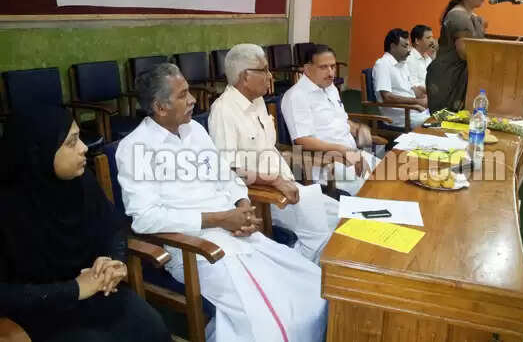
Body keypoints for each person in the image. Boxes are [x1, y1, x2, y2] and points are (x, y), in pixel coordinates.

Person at [116, 63, 327, 342]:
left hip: (236, 232)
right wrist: (219, 219)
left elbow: (226, 176)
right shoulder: (135, 148)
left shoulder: (195, 131)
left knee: (313, 286)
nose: (193, 100)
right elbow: (145, 219)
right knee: (271, 317)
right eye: (183, 94)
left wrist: (242, 205)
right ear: (160, 107)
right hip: (195, 248)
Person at [0, 106, 170, 342]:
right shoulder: (7, 208)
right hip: (40, 310)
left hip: (96, 291)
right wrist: (75, 289)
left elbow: (112, 229)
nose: (83, 148)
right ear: (39, 152)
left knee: (150, 324)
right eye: (71, 142)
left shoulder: (80, 182)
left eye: (79, 138)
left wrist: (111, 261)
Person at [208, 44, 339, 263]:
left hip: (288, 186)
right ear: (245, 76)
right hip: (266, 198)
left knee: (344, 217)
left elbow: (270, 147)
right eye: (264, 70)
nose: (271, 76)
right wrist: (274, 181)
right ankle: (304, 270)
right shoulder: (224, 111)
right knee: (321, 236)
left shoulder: (257, 100)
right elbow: (229, 170)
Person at [281, 44, 380, 196]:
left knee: (391, 176)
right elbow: (303, 140)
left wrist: (357, 128)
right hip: (326, 164)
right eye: (323, 67)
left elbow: (338, 120)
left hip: (352, 154)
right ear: (307, 69)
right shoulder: (297, 96)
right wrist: (345, 151)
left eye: (333, 66)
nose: (331, 73)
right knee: (374, 191)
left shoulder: (330, 88)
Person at [426, 0, 487, 113]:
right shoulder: (458, 16)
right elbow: (464, 53)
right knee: (447, 122)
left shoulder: (473, 17)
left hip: (460, 76)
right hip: (448, 78)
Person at [372, 28, 431, 129]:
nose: (409, 50)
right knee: (437, 123)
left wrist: (428, 96)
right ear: (393, 46)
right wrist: (417, 102)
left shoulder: (402, 64)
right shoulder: (383, 64)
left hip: (414, 112)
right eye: (404, 46)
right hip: (400, 118)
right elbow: (387, 97)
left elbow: (411, 90)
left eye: (408, 46)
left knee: (444, 116)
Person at [407, 24, 435, 92]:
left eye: (432, 37)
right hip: (419, 96)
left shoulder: (428, 58)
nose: (432, 40)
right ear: (417, 41)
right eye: (428, 38)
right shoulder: (409, 58)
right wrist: (432, 91)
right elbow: (413, 85)